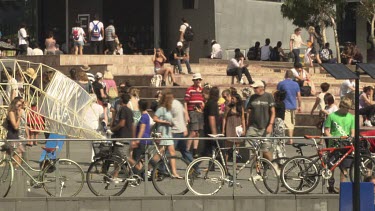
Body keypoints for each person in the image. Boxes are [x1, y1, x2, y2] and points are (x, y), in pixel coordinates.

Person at [324, 98, 354, 194]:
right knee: (331, 166)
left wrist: (351, 138)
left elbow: (352, 132)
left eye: (349, 108)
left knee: (344, 168)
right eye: (347, 108)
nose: (348, 110)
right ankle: (331, 186)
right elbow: (326, 131)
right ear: (342, 106)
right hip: (334, 145)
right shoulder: (332, 116)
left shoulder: (351, 117)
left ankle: (343, 187)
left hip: (346, 146)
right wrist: (332, 137)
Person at [153, 90, 183, 179]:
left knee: (172, 152)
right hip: (162, 133)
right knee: (160, 152)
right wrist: (164, 122)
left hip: (168, 133)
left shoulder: (168, 109)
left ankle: (174, 172)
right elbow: (155, 118)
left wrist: (171, 123)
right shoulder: (161, 109)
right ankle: (149, 167)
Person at [246, 80, 275, 162]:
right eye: (254, 88)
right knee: (251, 147)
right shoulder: (252, 97)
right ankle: (257, 167)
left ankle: (273, 164)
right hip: (253, 126)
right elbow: (249, 112)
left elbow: (273, 112)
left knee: (265, 149)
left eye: (256, 88)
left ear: (262, 88)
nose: (254, 89)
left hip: (265, 126)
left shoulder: (269, 96)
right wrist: (247, 125)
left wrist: (270, 124)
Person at [110, 93, 134, 182]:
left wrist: (112, 129)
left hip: (122, 136)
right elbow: (132, 125)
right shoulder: (129, 110)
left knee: (123, 156)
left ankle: (139, 167)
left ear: (120, 100)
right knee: (117, 157)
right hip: (126, 136)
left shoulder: (123, 110)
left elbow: (122, 123)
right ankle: (115, 176)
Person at [277, 70, 301, 144]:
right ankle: (290, 138)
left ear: (285, 75)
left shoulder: (281, 84)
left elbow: (277, 94)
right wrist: (299, 105)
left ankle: (283, 139)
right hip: (293, 105)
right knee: (291, 123)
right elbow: (299, 96)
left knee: (283, 123)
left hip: (284, 105)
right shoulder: (296, 84)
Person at [184, 73, 205, 158]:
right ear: (194, 80)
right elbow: (185, 102)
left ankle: (195, 150)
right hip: (192, 111)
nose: (198, 81)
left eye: (199, 79)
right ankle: (187, 149)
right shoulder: (190, 90)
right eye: (197, 79)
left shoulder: (201, 90)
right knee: (193, 131)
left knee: (197, 132)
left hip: (200, 112)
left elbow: (203, 100)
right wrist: (186, 114)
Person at [171, 89, 193, 164]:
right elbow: (185, 113)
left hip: (175, 131)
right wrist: (185, 125)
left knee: (170, 151)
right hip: (181, 129)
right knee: (185, 151)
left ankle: (162, 169)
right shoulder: (178, 103)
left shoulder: (171, 105)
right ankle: (195, 167)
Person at [222, 93, 245, 163]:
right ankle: (225, 163)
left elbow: (243, 118)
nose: (231, 100)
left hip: (237, 127)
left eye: (233, 98)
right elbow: (224, 118)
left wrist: (244, 129)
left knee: (237, 146)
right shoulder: (228, 107)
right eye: (231, 98)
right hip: (230, 126)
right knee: (228, 146)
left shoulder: (240, 108)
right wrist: (223, 129)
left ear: (237, 100)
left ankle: (236, 164)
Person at [5, 98, 25, 167]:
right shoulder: (11, 112)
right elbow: (15, 127)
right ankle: (14, 174)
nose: (21, 107)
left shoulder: (17, 112)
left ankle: (15, 172)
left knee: (19, 158)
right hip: (12, 137)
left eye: (21, 105)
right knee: (16, 159)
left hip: (17, 136)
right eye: (19, 105)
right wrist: (19, 117)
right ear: (14, 104)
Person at [203, 86, 220, 156]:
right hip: (212, 130)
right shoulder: (213, 103)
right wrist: (214, 133)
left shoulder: (210, 102)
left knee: (212, 151)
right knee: (214, 150)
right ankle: (195, 165)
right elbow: (211, 117)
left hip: (208, 129)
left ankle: (213, 166)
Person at [272, 90, 286, 159]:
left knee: (276, 141)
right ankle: (280, 157)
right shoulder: (282, 103)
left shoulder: (279, 104)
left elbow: (271, 105)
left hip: (278, 123)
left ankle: (276, 157)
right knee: (279, 141)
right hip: (280, 123)